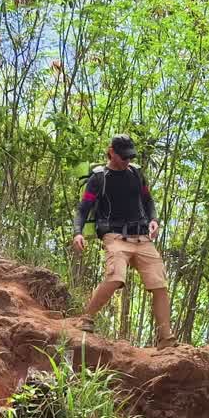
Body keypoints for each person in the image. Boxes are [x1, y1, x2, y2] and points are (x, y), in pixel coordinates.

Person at [72, 134, 177, 349]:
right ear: (111, 151)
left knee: (159, 285)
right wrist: (77, 233)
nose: (126, 161)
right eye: (122, 157)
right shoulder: (99, 178)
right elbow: (84, 208)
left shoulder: (136, 174)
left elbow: (148, 201)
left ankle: (166, 338)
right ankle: (86, 318)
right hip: (115, 237)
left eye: (129, 156)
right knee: (115, 277)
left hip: (142, 238)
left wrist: (154, 220)